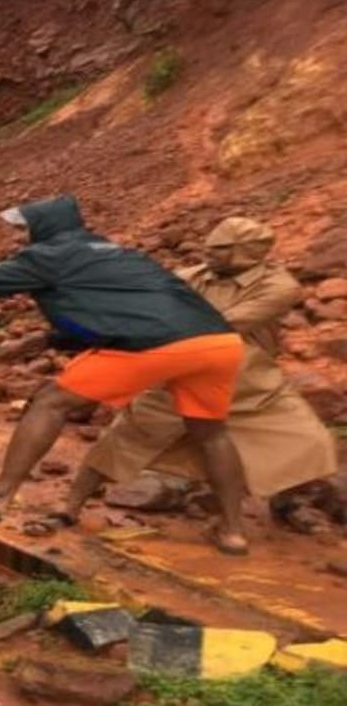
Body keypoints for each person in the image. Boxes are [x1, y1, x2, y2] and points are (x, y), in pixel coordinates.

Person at [0, 195, 248, 555]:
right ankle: (233, 531)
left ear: (46, 226)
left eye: (23, 229)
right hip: (218, 342)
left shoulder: (48, 255)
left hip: (152, 344)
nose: (18, 237)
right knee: (211, 434)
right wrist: (47, 340)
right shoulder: (116, 252)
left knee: (50, 402)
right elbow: (112, 309)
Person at [73, 217, 336, 526]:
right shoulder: (193, 276)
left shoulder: (279, 287)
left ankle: (283, 503)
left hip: (251, 385)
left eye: (220, 249)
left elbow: (224, 324)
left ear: (248, 251)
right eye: (210, 247)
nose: (208, 253)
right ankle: (70, 507)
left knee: (307, 441)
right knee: (125, 437)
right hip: (183, 377)